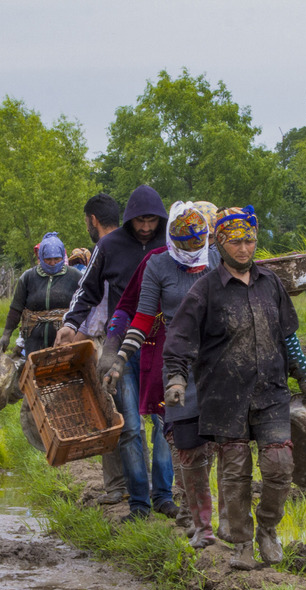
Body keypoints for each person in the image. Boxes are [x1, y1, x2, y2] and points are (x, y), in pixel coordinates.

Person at [162, 206, 306, 570]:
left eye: (249, 240)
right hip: (225, 396)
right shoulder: (205, 291)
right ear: (220, 243)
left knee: (280, 465)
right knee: (235, 471)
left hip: (271, 391)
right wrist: (177, 380)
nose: (244, 248)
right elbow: (178, 342)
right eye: (235, 242)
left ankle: (268, 529)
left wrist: (304, 376)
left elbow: (288, 336)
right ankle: (242, 541)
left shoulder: (271, 283)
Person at [103, 201, 221, 548]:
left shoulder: (216, 259)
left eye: (197, 243)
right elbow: (140, 316)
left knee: (221, 442)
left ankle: (209, 520)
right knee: (182, 440)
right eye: (184, 245)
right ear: (171, 240)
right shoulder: (158, 265)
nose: (191, 252)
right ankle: (193, 516)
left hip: (216, 358)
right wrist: (120, 356)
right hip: (176, 358)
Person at [58, 185, 172, 522]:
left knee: (163, 422)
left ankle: (164, 495)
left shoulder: (171, 244)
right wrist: (70, 323)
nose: (147, 227)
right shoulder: (109, 246)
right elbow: (87, 290)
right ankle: (138, 502)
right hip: (121, 344)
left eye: (153, 220)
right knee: (130, 425)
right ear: (129, 219)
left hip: (163, 345)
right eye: (141, 221)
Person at [77, 193, 125, 505]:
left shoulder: (102, 252)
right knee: (135, 418)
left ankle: (118, 486)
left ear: (93, 221)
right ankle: (143, 486)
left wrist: (76, 333)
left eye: (87, 222)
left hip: (109, 341)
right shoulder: (134, 248)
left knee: (110, 414)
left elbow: (94, 303)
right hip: (138, 337)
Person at [0, 232, 81, 356]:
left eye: (56, 259)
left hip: (65, 341)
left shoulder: (75, 276)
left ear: (62, 256)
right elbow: (16, 309)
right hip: (34, 341)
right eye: (48, 259)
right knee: (35, 371)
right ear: (41, 257)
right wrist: (6, 334)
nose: (53, 263)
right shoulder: (28, 277)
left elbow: (86, 305)